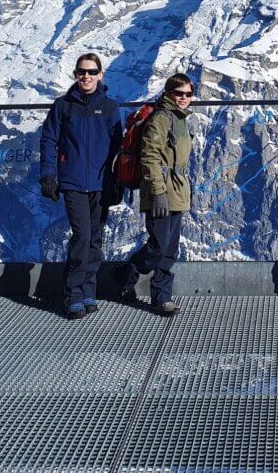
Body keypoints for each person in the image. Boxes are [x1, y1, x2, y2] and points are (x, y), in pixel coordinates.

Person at [39, 53, 123, 319]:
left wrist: (117, 181)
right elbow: (49, 139)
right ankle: (73, 294)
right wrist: (48, 176)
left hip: (101, 184)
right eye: (81, 72)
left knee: (95, 240)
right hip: (73, 182)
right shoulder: (63, 105)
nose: (86, 76)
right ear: (75, 75)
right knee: (82, 237)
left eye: (91, 72)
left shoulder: (109, 107)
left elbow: (118, 149)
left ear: (100, 75)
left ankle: (89, 290)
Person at [118, 73, 195, 316]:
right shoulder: (161, 118)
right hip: (160, 190)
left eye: (188, 94)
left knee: (170, 248)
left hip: (179, 190)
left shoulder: (180, 118)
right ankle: (126, 272)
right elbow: (149, 156)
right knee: (159, 245)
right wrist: (158, 192)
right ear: (169, 93)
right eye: (178, 93)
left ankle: (161, 297)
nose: (183, 98)